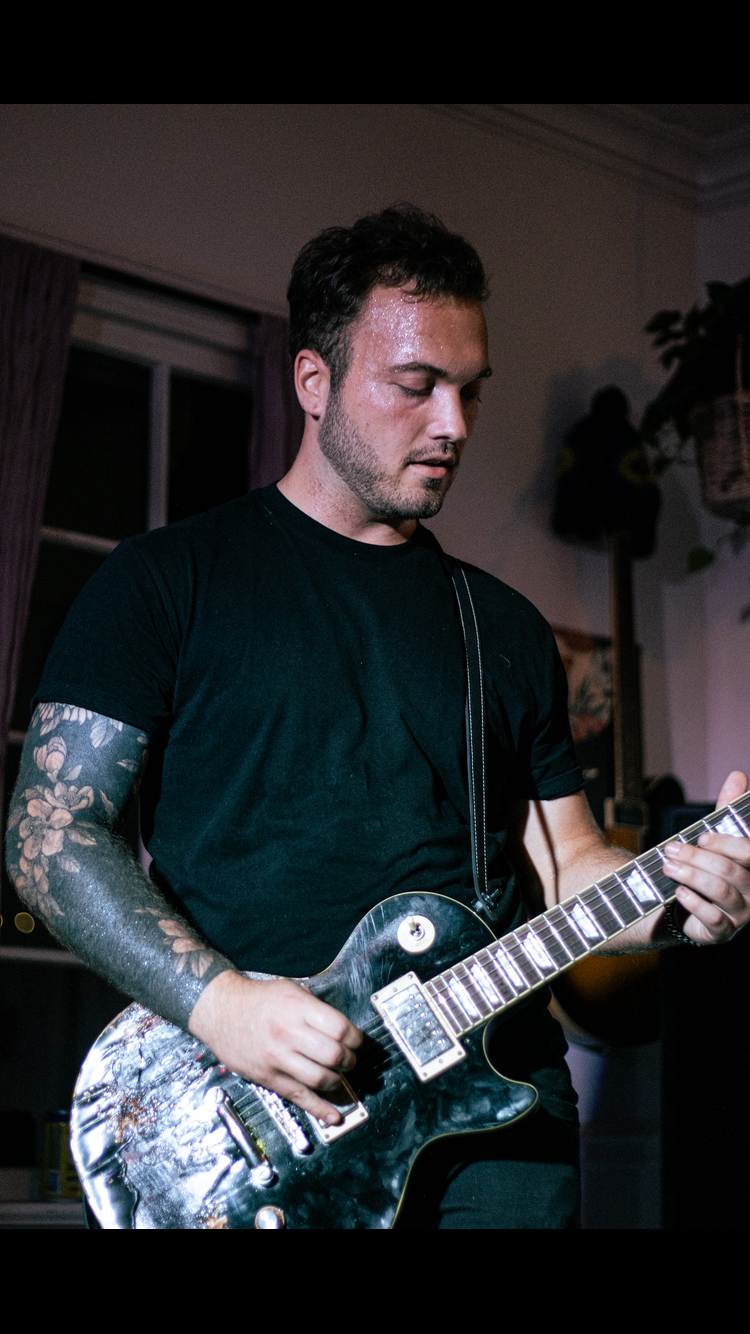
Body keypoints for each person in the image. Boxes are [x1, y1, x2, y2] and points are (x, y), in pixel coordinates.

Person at [6, 205, 750, 1229]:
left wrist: (675, 898)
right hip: (253, 1129)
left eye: (469, 389)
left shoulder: (504, 629)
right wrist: (221, 1004)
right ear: (313, 381)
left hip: (500, 1122)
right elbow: (49, 839)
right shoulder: (163, 583)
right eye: (417, 386)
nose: (454, 423)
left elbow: (571, 864)